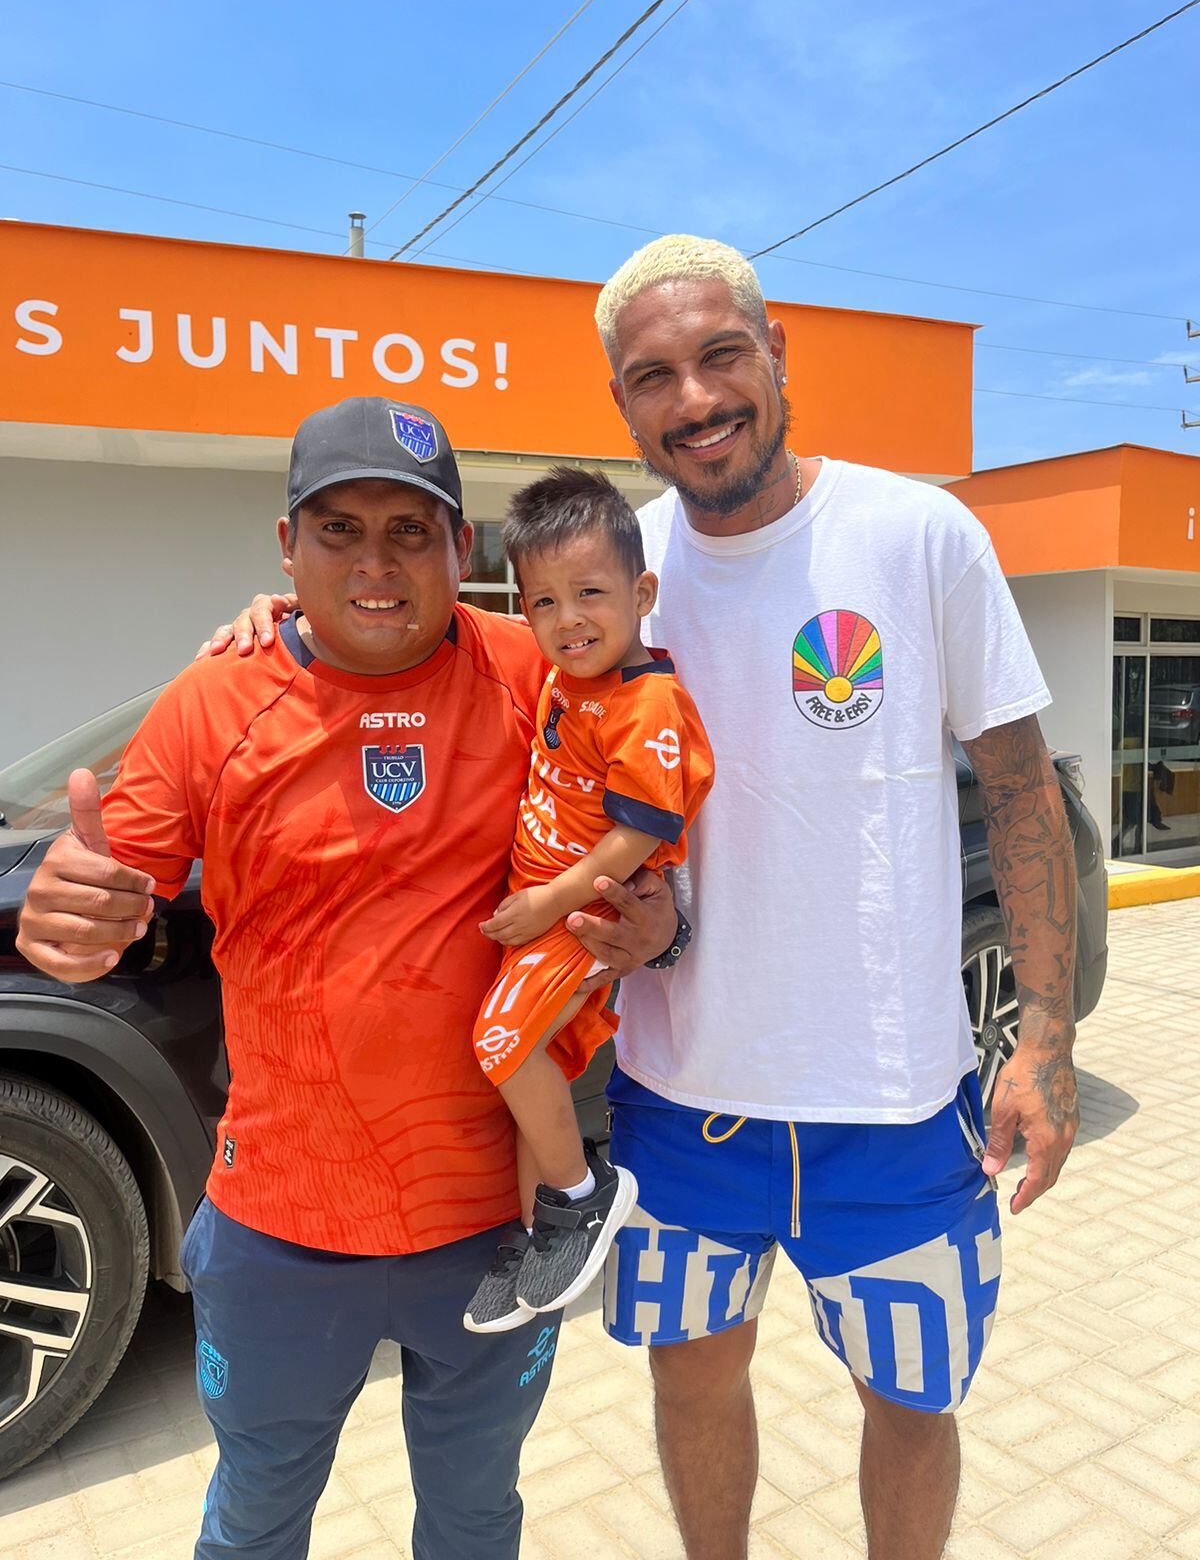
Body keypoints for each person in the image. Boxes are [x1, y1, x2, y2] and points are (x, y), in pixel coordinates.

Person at [209, 235, 1081, 1560]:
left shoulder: (918, 537)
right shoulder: (603, 569)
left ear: (776, 352)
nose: (695, 398)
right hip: (685, 1108)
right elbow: (404, 629)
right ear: (621, 403)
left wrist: (1048, 1039)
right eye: (653, 376)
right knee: (690, 1382)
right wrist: (281, 617)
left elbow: (1022, 794)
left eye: (721, 356)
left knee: (911, 1408)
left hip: (898, 1108)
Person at [15, 395, 676, 1560]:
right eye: (339, 530)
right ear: (286, 548)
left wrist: (657, 919)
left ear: (460, 550)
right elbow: (107, 884)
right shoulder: (216, 697)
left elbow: (658, 798)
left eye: (410, 531)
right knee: (258, 1518)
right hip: (281, 1231)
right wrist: (74, 924)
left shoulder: (541, 675)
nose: (377, 563)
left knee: (475, 1522)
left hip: (496, 1235)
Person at [464, 468, 714, 1334]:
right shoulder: (569, 677)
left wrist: (545, 906)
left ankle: (581, 1194)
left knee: (499, 1045)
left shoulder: (647, 704)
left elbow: (639, 835)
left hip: (580, 912)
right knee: (530, 1063)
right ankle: (538, 1233)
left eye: (591, 594)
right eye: (543, 603)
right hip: (543, 911)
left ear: (642, 592)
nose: (567, 619)